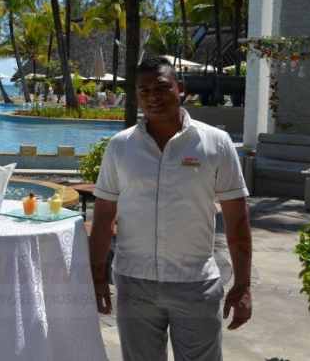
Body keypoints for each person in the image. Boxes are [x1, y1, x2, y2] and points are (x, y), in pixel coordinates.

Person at [89, 56, 252, 361]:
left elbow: (237, 220)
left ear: (181, 89)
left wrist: (243, 285)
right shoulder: (120, 146)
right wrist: (97, 276)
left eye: (161, 87)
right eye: (144, 90)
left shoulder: (216, 143)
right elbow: (103, 217)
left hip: (195, 284)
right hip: (134, 283)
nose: (153, 96)